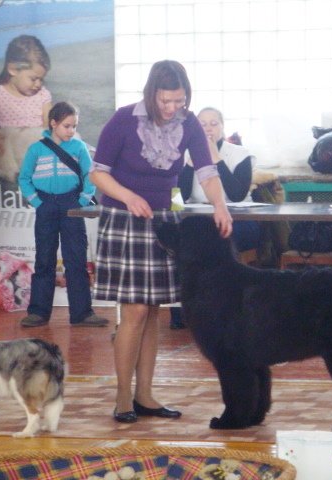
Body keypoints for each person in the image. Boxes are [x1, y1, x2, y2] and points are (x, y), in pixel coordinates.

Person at [89, 60, 232, 423]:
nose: (172, 108)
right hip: (124, 218)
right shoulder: (123, 120)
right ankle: (122, 397)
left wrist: (220, 205)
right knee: (134, 310)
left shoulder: (190, 125)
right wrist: (127, 196)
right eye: (166, 101)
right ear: (152, 94)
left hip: (162, 221)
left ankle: (146, 395)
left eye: (179, 101)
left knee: (153, 310)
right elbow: (98, 174)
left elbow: (206, 171)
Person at [18, 101, 107, 328]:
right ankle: (38, 312)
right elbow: (24, 178)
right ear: (53, 123)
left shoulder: (79, 148)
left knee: (76, 259)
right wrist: (38, 202)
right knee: (44, 259)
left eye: (74, 126)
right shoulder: (36, 149)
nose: (71, 131)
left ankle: (82, 313)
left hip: (72, 203)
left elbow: (91, 176)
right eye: (67, 126)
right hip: (45, 204)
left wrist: (83, 200)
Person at [172, 106, 259, 329]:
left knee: (219, 241)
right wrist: (192, 161)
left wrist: (215, 158)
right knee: (179, 241)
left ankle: (227, 310)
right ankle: (183, 313)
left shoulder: (240, 154)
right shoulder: (182, 154)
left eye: (214, 123)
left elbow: (237, 194)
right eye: (202, 124)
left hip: (236, 217)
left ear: (222, 127)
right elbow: (181, 194)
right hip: (198, 217)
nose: (208, 129)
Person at [0, 35, 52, 182]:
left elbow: (49, 123)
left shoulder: (42, 95)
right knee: (2, 142)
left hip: (33, 146)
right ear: (13, 69)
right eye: (33, 78)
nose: (38, 84)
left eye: (41, 79)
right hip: (8, 149)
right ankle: (12, 175)